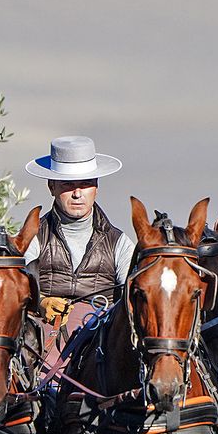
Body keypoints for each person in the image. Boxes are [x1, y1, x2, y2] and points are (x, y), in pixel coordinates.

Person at [21, 135, 135, 328]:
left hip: (101, 339)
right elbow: (16, 284)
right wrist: (41, 302)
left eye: (85, 184)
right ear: (52, 186)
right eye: (67, 184)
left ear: (96, 187)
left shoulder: (120, 243)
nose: (77, 193)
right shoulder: (33, 236)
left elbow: (133, 295)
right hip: (41, 336)